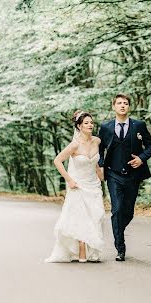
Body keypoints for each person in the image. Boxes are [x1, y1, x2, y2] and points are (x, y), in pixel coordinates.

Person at [98, 94, 151, 261]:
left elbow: (150, 145)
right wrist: (101, 165)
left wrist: (141, 158)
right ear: (114, 106)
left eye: (125, 103)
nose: (122, 105)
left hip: (133, 175)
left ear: (129, 107)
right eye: (119, 103)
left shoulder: (139, 125)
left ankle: (117, 230)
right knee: (116, 210)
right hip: (113, 173)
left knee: (128, 212)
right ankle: (120, 248)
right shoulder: (106, 127)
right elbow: (100, 148)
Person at [45, 111, 105, 263]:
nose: (90, 125)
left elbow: (96, 162)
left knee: (95, 216)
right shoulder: (75, 145)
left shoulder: (97, 141)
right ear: (79, 126)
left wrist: (101, 174)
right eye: (86, 123)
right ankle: (82, 248)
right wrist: (70, 180)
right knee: (81, 216)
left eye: (91, 122)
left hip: (94, 185)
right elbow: (57, 161)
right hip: (78, 185)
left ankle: (94, 251)